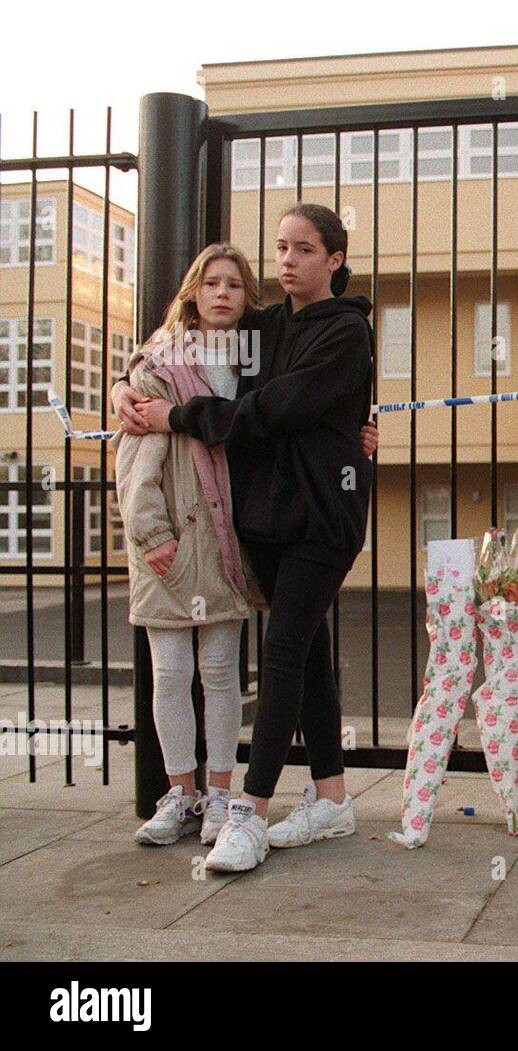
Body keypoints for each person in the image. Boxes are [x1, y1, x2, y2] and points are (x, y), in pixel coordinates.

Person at [136, 203, 375, 873]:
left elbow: (274, 411)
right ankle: (330, 796)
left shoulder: (347, 333)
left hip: (322, 522)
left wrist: (178, 415)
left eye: (304, 248)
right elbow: (185, 338)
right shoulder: (265, 326)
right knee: (309, 657)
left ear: (333, 258)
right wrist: (131, 385)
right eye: (280, 248)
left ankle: (250, 810)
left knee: (282, 653)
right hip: (265, 522)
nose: (288, 260)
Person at [116, 243, 263, 847]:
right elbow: (134, 457)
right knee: (171, 674)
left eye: (234, 284)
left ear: (248, 296)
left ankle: (222, 794)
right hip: (170, 541)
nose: (223, 293)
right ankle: (181, 793)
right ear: (193, 293)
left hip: (228, 540)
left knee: (222, 671)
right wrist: (152, 534)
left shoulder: (259, 358)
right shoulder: (159, 360)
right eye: (211, 283)